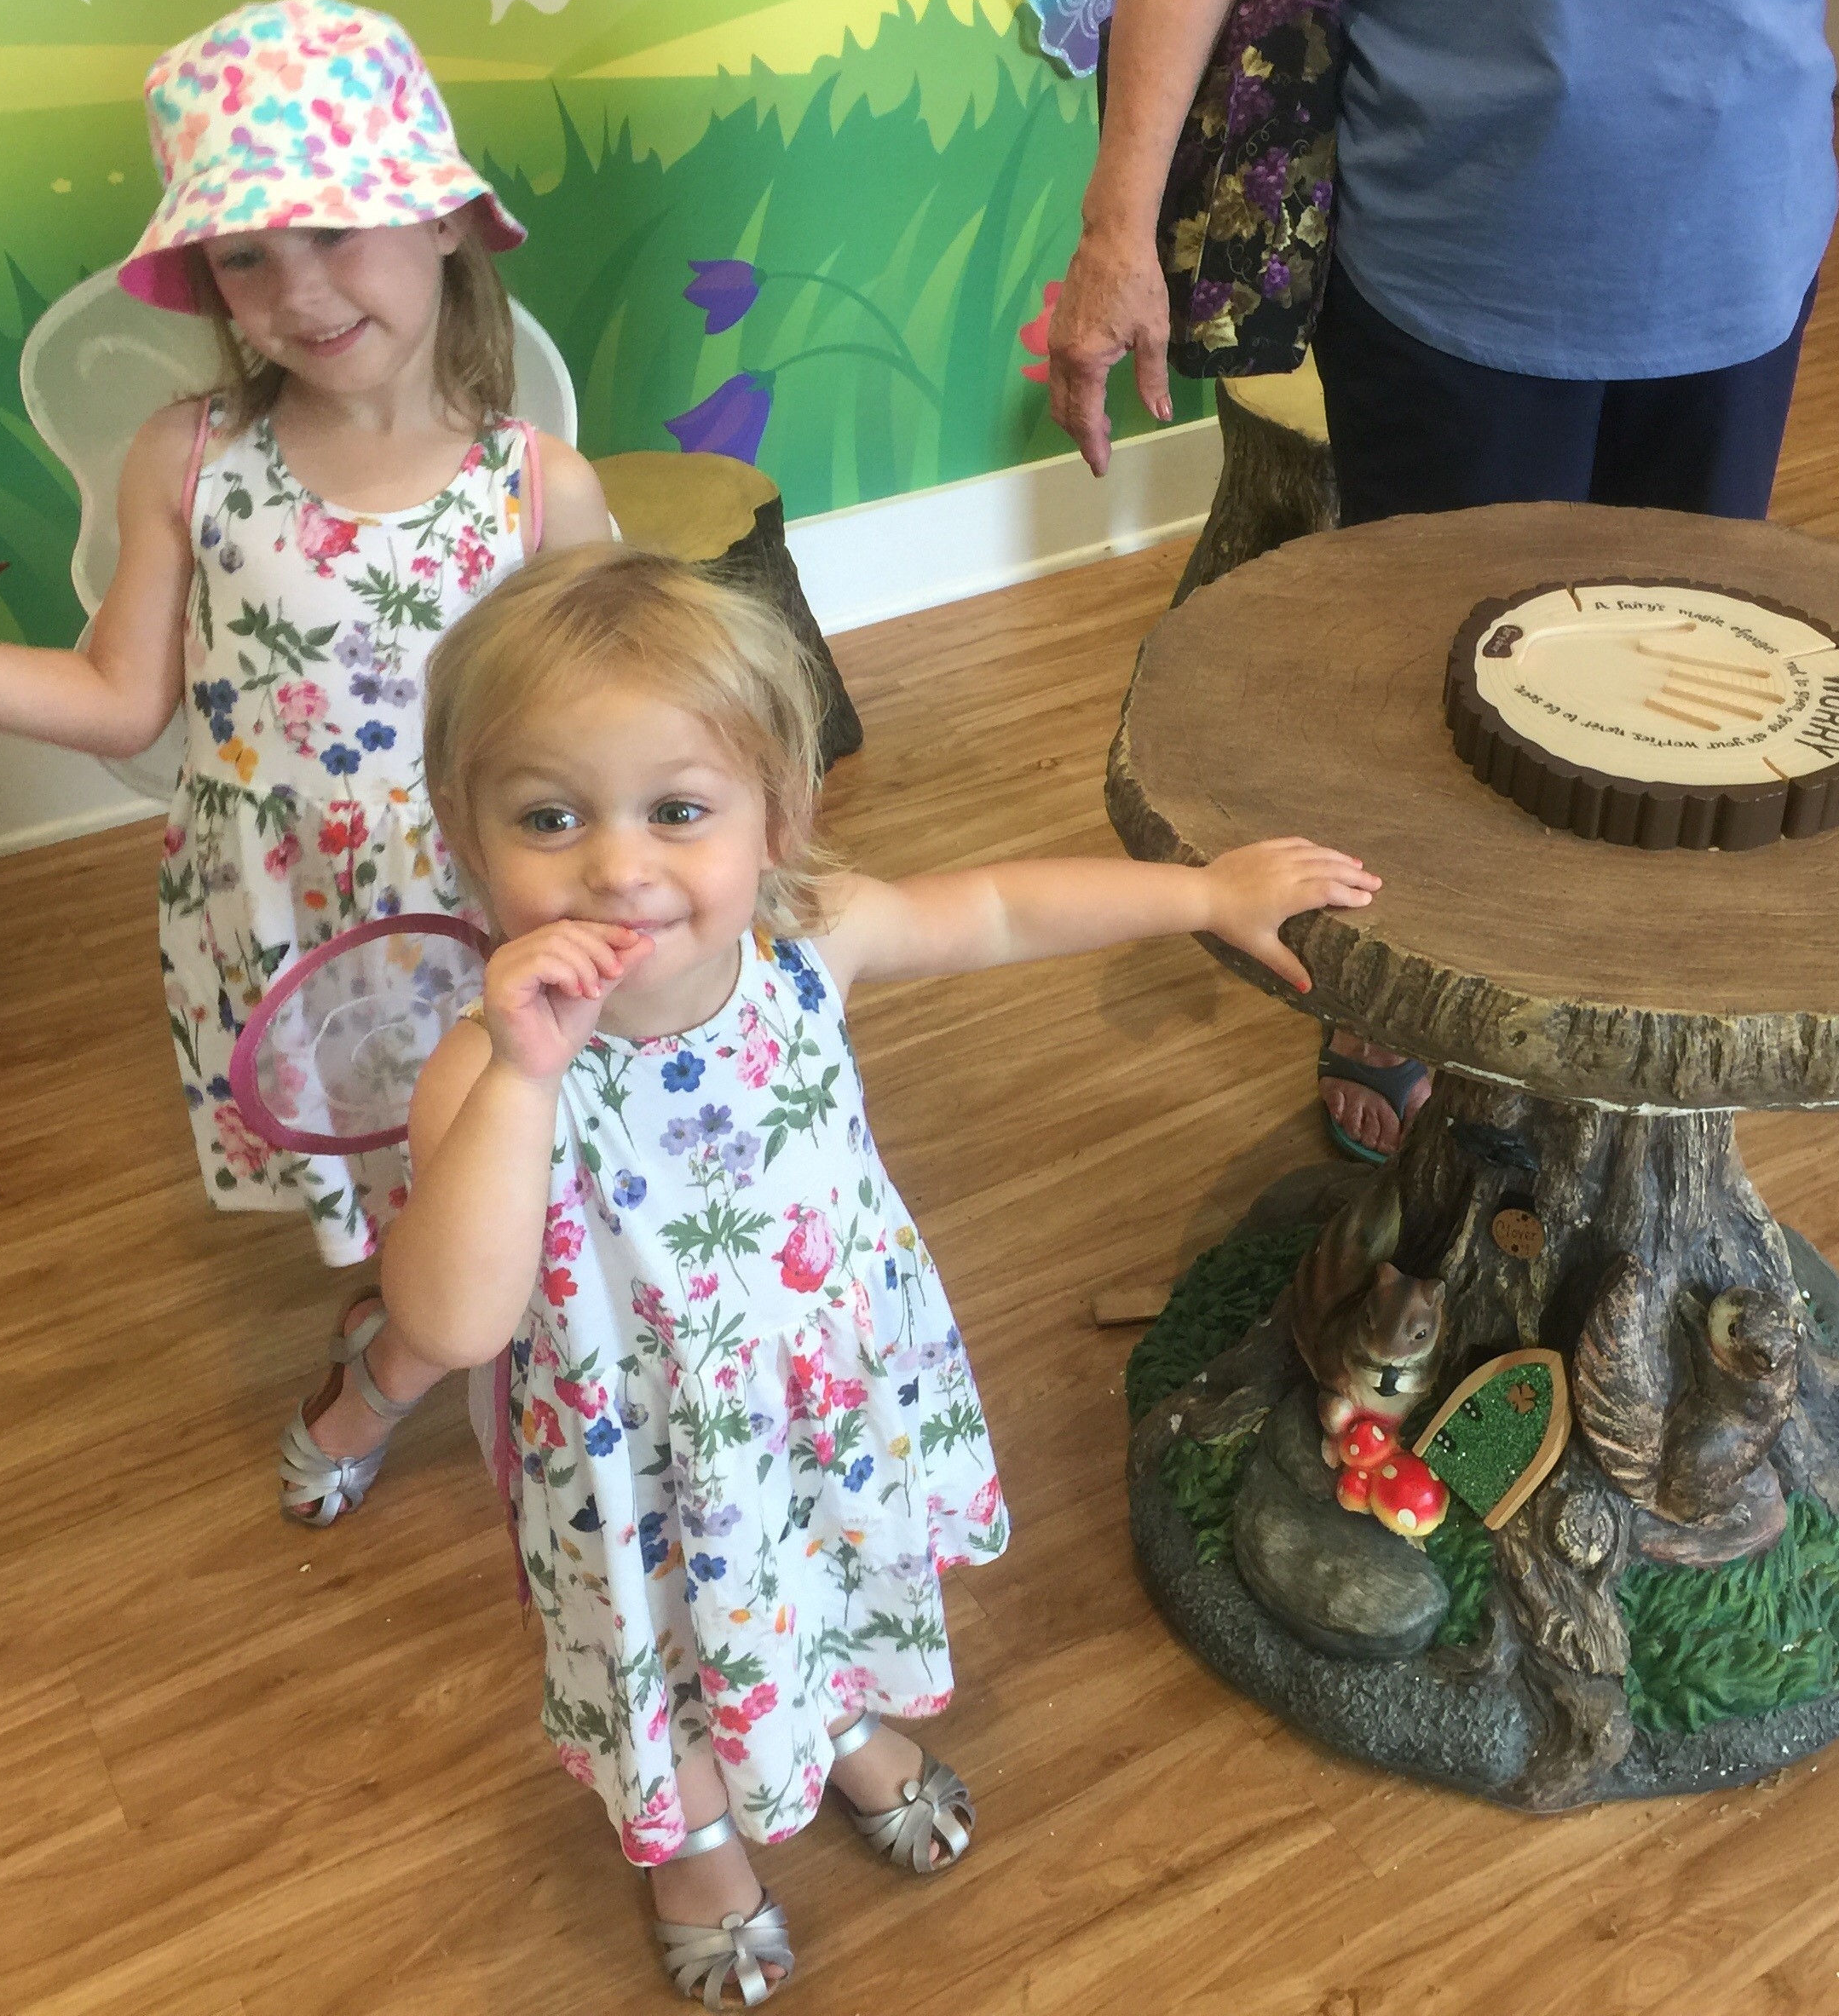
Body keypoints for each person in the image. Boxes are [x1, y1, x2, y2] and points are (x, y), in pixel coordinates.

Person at [337, 542, 1375, 2004]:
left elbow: (1002, 911)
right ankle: (691, 1835)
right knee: (682, 1648)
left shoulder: (808, 944)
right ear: (466, 830)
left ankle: (822, 1723)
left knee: (816, 1575)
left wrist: (1200, 897)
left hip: (824, 1403)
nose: (619, 867)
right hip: (642, 1477)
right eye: (551, 817)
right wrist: (516, 1074)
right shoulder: (488, 1074)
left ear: (778, 819)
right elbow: (450, 1319)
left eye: (678, 810)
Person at [0, 0, 612, 1524]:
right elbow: (117, 700)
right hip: (279, 919)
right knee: (403, 1175)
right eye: (245, 256)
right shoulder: (190, 458)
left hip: (481, 923)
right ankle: (421, 1317)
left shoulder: (538, 488)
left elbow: (613, 722)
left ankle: (390, 1374)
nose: (297, 290)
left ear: (450, 224)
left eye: (336, 228)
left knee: (507, 1160)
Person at [1045, 0, 1839, 1161]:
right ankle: (1400, 1001)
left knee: (1683, 712)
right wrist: (1115, 224)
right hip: (1447, 266)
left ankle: (1626, 1010)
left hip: (1735, 262)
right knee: (1427, 708)